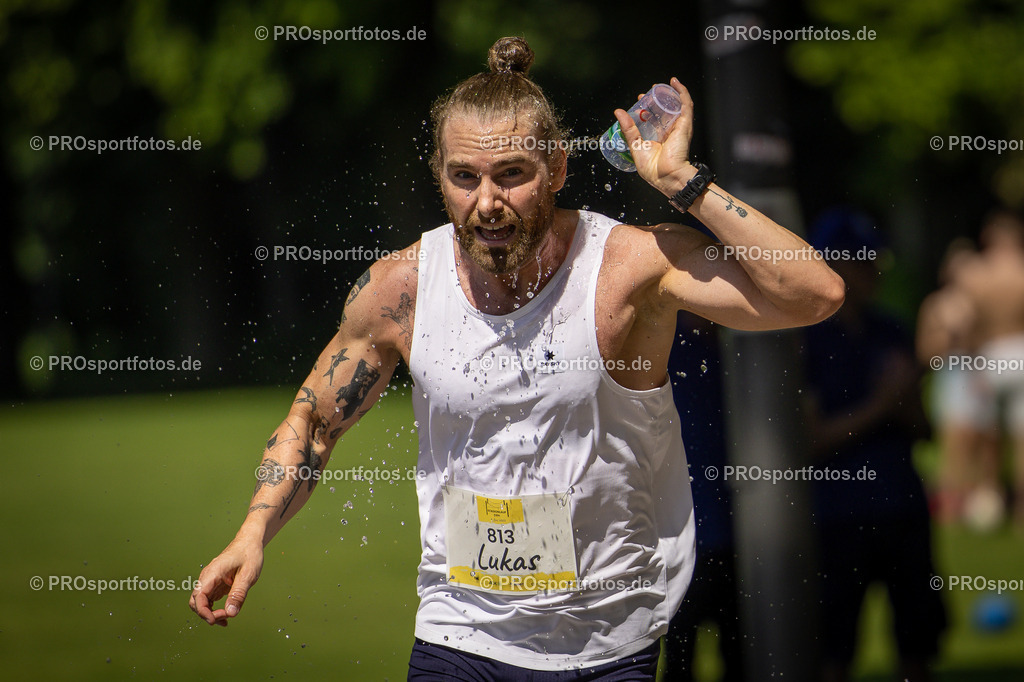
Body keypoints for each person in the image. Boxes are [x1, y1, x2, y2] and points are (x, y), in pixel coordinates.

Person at [190, 36, 844, 678]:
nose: (487, 204)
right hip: (460, 628)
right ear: (440, 174)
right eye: (463, 178)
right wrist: (252, 533)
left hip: (609, 636)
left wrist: (683, 181)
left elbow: (814, 294)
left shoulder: (627, 268)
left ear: (557, 168)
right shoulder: (401, 289)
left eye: (512, 175)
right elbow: (313, 421)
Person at [802, 208, 945, 682]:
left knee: (918, 639)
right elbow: (811, 439)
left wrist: (909, 396)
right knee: (834, 647)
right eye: (862, 260)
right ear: (832, 265)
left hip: (903, 506)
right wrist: (885, 403)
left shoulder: (892, 329)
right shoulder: (805, 338)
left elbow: (926, 431)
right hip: (839, 515)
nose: (874, 270)